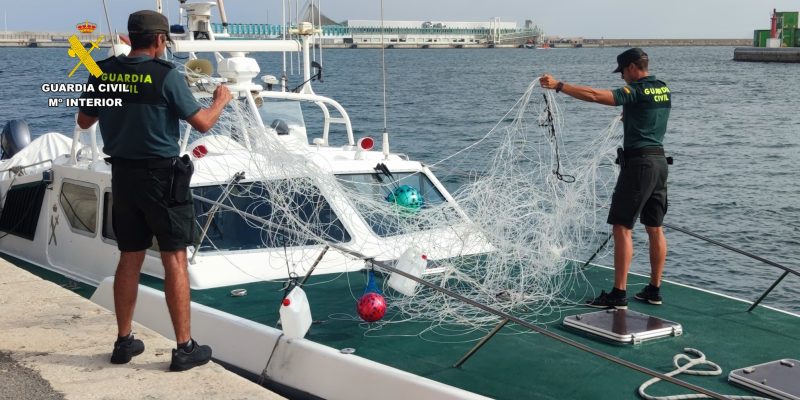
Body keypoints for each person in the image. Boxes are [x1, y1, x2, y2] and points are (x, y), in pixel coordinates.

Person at [76, 10, 233, 370]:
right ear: (161, 41)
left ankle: (123, 342)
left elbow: (84, 121)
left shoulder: (102, 73)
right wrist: (220, 100)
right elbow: (204, 124)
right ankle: (184, 348)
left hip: (123, 178)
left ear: (131, 38)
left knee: (129, 256)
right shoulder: (167, 77)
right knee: (174, 257)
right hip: (162, 179)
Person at [540, 48, 671, 309]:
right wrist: (631, 115)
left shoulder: (636, 89)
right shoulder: (662, 88)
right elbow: (650, 114)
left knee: (622, 227)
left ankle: (618, 295)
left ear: (633, 67)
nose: (622, 77)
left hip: (639, 166)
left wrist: (559, 86)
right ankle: (654, 290)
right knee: (655, 228)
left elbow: (595, 95)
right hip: (659, 164)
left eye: (622, 71)